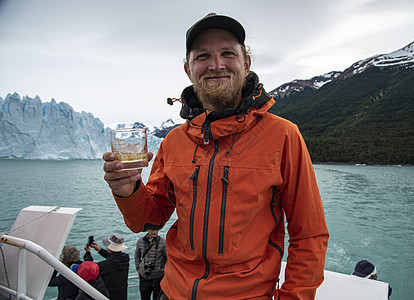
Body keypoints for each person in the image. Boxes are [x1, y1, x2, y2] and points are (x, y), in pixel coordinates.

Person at [103, 12, 329, 299]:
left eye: (227, 53)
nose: (216, 65)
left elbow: (309, 235)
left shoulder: (283, 136)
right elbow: (149, 221)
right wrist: (128, 191)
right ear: (188, 69)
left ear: (246, 64)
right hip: (172, 292)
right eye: (203, 56)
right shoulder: (174, 141)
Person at [84, 233, 130, 300]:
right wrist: (99, 250)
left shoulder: (105, 265)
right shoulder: (125, 259)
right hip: (122, 296)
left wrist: (88, 253)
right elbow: (115, 257)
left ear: (110, 247)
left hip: (108, 296)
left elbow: (90, 269)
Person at [135, 227, 167, 299]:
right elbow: (137, 255)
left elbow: (167, 258)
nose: (155, 232)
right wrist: (138, 268)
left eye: (157, 230)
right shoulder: (140, 241)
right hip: (144, 276)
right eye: (153, 230)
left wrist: (164, 271)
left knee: (158, 298)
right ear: (148, 230)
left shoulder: (163, 242)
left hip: (158, 277)